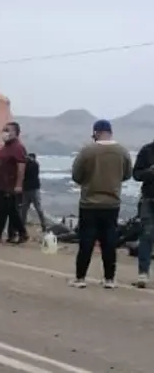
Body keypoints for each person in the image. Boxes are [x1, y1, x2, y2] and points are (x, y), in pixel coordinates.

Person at [69, 120, 133, 289]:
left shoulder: (87, 151)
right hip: (112, 203)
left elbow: (76, 175)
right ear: (110, 132)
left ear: (96, 133)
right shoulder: (122, 152)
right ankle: (109, 279)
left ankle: (80, 278)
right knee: (109, 241)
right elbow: (127, 174)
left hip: (89, 203)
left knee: (86, 241)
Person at [0, 122, 28, 244]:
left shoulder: (18, 148)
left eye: (7, 130)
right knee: (1, 210)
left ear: (15, 133)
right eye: (4, 130)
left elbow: (21, 167)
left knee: (11, 211)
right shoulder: (4, 147)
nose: (4, 132)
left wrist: (18, 185)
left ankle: (21, 233)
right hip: (0, 184)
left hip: (10, 186)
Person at [132, 137, 154, 288]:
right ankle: (143, 273)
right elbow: (136, 174)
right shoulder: (147, 150)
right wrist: (150, 172)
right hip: (149, 199)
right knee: (146, 235)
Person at [20, 152, 46, 230]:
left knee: (30, 208)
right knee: (25, 209)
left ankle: (43, 224)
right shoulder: (32, 165)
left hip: (31, 189)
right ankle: (23, 225)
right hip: (30, 189)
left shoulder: (34, 165)